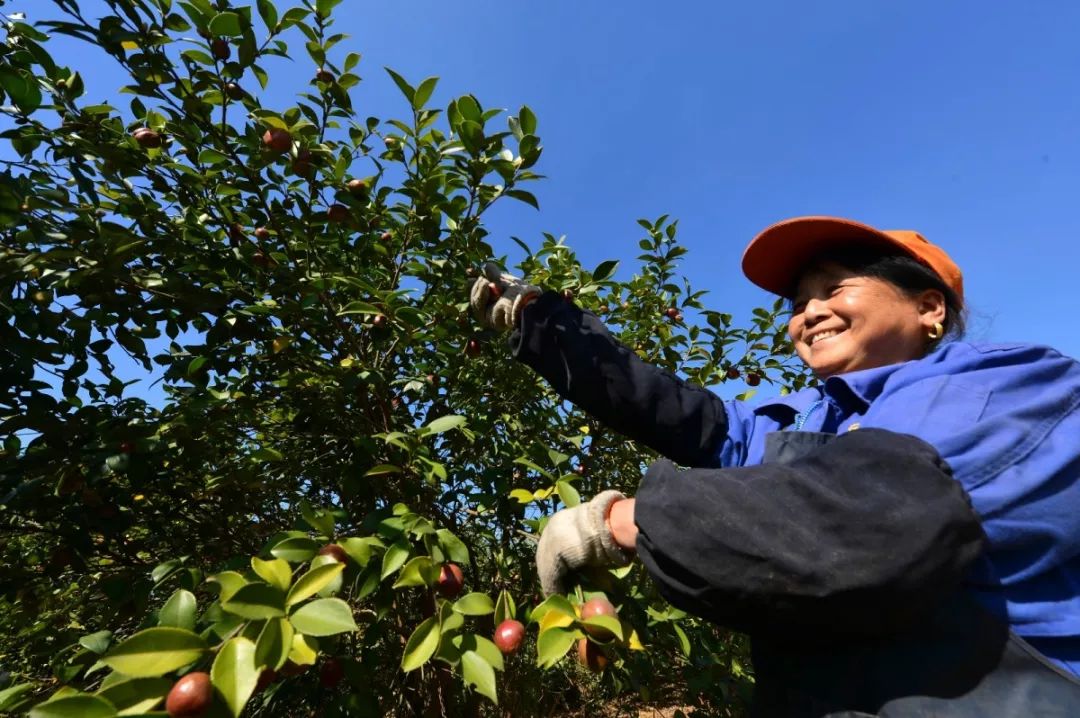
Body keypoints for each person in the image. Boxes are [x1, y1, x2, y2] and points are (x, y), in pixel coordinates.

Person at [469, 216, 1080, 717]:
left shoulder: (1005, 385)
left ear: (929, 308)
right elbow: (697, 420)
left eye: (835, 287)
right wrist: (547, 326)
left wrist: (626, 521)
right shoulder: (818, 424)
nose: (807, 313)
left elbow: (868, 518)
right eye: (798, 302)